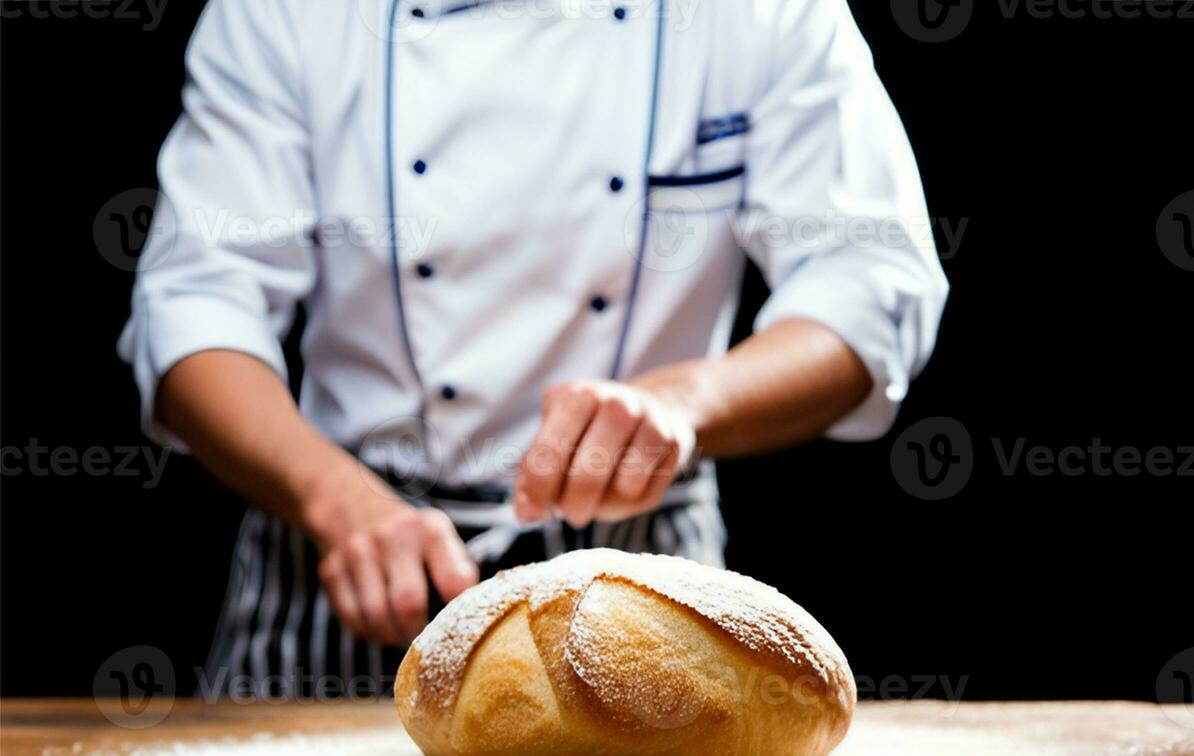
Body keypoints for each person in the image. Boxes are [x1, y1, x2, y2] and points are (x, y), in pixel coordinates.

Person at [118, 0, 947, 699]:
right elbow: (197, 305)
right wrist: (338, 502)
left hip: (638, 574)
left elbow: (871, 281)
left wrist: (684, 401)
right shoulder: (286, 14)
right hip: (342, 555)